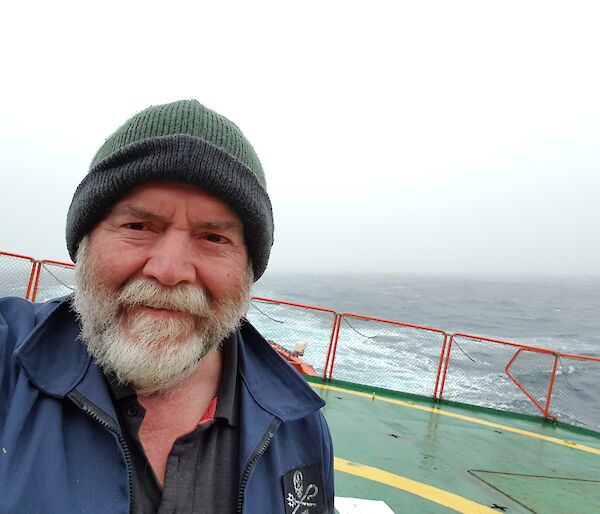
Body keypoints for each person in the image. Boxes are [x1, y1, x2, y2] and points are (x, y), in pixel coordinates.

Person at [0, 100, 334, 513]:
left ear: (248, 268)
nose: (170, 270)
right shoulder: (7, 365)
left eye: (213, 237)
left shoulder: (299, 424)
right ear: (84, 245)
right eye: (138, 227)